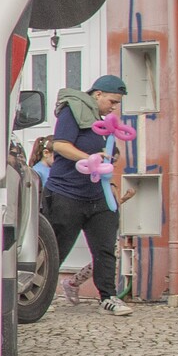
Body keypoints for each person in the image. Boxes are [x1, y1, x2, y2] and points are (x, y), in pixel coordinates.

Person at [43, 74, 132, 315]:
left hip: (97, 194)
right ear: (98, 94)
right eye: (112, 102)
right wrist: (88, 158)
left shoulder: (101, 122)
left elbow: (101, 156)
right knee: (56, 248)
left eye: (117, 104)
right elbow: (60, 145)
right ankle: (39, 293)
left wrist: (110, 160)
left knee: (105, 247)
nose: (114, 107)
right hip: (66, 192)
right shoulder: (71, 111)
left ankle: (108, 296)